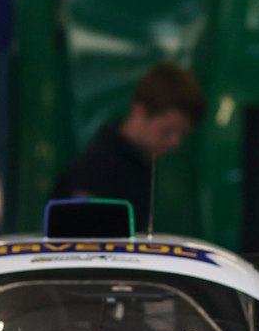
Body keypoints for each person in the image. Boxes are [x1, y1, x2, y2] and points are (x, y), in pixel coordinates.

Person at [51, 61, 204, 229]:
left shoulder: (139, 163)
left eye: (182, 134)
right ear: (139, 111)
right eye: (167, 131)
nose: (175, 142)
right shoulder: (95, 170)